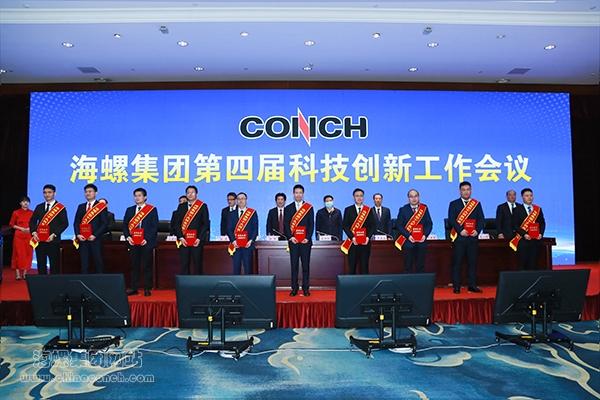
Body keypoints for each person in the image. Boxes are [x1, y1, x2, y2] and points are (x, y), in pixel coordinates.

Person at [448, 181, 485, 294]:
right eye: (463, 190)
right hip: (459, 239)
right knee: (457, 263)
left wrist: (477, 230)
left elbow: (481, 219)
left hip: (472, 238)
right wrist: (460, 231)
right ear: (460, 191)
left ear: (471, 190)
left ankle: (472, 286)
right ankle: (457, 286)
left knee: (472, 263)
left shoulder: (476, 204)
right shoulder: (454, 204)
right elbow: (451, 220)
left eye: (468, 189)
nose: (466, 192)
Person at [123, 187, 158, 296]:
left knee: (146, 266)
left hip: (146, 242)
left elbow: (154, 227)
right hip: (133, 242)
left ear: (145, 197)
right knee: (134, 266)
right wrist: (128, 237)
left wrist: (146, 239)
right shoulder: (129, 210)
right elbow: (125, 225)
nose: (137, 198)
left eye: (139, 195)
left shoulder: (151, 210)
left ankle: (147, 288)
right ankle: (134, 288)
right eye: (135, 196)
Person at [29, 184, 68, 275]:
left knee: (54, 265)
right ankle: (42, 282)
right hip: (40, 241)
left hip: (53, 241)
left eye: (49, 192)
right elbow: (32, 221)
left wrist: (54, 234)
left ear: (54, 193)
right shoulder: (39, 207)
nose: (47, 194)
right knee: (41, 265)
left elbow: (65, 224)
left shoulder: (60, 208)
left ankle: (54, 283)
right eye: (45, 193)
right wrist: (34, 232)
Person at [284, 184, 314, 296]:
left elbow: (311, 224)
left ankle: (306, 288)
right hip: (294, 242)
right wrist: (290, 237)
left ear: (303, 194)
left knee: (306, 266)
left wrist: (307, 237)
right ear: (293, 194)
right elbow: (286, 225)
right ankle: (294, 288)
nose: (298, 195)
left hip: (305, 242)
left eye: (300, 192)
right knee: (294, 266)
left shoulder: (309, 208)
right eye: (296, 192)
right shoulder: (288, 208)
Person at [394, 189, 433, 273]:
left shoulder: (424, 208)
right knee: (408, 267)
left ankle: (420, 281)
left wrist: (425, 235)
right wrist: (408, 236)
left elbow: (429, 224)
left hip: (421, 242)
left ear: (418, 197)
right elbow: (399, 225)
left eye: (415, 196)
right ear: (408, 198)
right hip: (408, 242)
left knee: (421, 267)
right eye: (411, 196)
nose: (414, 198)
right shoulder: (403, 209)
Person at [73, 184, 109, 274]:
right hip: (83, 240)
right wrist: (78, 234)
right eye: (86, 192)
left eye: (90, 191)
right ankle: (84, 281)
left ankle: (100, 281)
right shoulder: (81, 206)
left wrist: (95, 235)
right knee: (84, 264)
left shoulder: (101, 207)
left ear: (95, 193)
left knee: (98, 263)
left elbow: (104, 223)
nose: (88, 193)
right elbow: (76, 222)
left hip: (95, 240)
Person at [173, 185, 209, 275]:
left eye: (192, 192)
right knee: (184, 264)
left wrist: (199, 238)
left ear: (196, 194)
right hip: (184, 241)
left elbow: (205, 224)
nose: (190, 194)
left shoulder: (202, 206)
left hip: (197, 241)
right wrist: (181, 237)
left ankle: (198, 283)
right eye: (188, 192)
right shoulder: (181, 206)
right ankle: (185, 283)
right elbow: (177, 223)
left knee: (197, 264)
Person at [342, 188, 376, 274]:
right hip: (353, 243)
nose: (359, 198)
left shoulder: (368, 210)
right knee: (352, 267)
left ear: (363, 197)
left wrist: (368, 237)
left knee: (364, 267)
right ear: (353, 197)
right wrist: (352, 238)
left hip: (365, 243)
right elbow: (345, 226)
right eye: (357, 196)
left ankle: (365, 283)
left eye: (361, 196)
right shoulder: (348, 210)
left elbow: (373, 226)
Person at [511, 188, 546, 270]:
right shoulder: (517, 209)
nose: (529, 197)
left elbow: (542, 223)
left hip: (536, 241)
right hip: (523, 241)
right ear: (522, 197)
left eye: (531, 195)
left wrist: (541, 233)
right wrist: (524, 234)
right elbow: (515, 225)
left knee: (534, 264)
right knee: (522, 264)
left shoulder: (538, 209)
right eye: (527, 196)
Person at [227, 192, 258, 275]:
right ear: (236, 201)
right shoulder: (231, 214)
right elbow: (229, 229)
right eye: (239, 199)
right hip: (236, 246)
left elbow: (255, 229)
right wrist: (233, 241)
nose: (241, 201)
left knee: (248, 269)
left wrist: (251, 241)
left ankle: (248, 284)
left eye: (243, 199)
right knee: (236, 269)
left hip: (248, 245)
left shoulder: (252, 213)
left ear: (246, 200)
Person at [9, 196, 33, 279]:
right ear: (20, 203)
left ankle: (25, 273)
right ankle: (18, 274)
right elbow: (12, 224)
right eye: (23, 201)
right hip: (19, 236)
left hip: (29, 235)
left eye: (27, 201)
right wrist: (21, 228)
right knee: (18, 254)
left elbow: (35, 224)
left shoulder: (32, 213)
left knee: (28, 254)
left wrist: (30, 228)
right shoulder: (16, 212)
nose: (25, 203)